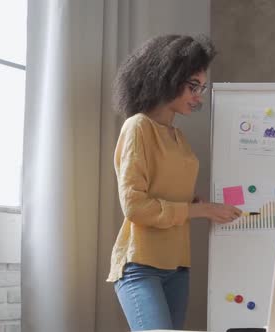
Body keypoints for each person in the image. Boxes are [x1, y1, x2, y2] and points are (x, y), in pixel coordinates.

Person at [107, 34, 242, 331]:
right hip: (141, 265)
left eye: (202, 88)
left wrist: (196, 203)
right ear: (167, 78)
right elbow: (136, 208)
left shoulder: (177, 136)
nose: (199, 96)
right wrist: (202, 211)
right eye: (193, 86)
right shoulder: (138, 127)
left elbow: (169, 194)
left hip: (178, 265)